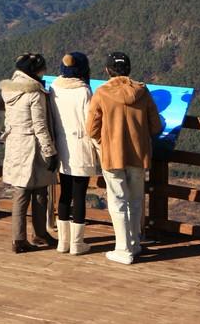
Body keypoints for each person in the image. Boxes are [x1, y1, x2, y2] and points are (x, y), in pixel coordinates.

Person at [85, 51, 162, 264]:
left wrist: (104, 141)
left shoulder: (101, 93)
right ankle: (135, 243)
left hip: (113, 155)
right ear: (128, 69)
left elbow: (91, 128)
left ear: (108, 70)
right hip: (139, 155)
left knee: (117, 200)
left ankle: (123, 249)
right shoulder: (143, 92)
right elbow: (156, 126)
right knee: (136, 200)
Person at [0, 52, 58, 253]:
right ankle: (39, 234)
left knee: (20, 193)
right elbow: (40, 126)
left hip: (15, 143)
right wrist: (50, 151)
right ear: (34, 71)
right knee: (40, 191)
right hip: (32, 146)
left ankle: (18, 238)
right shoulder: (34, 93)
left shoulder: (9, 90)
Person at [48, 52, 100, 255]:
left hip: (61, 144)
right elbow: (91, 123)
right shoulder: (84, 91)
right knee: (79, 195)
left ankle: (63, 242)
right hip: (80, 145)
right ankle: (77, 244)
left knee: (65, 193)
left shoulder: (54, 88)